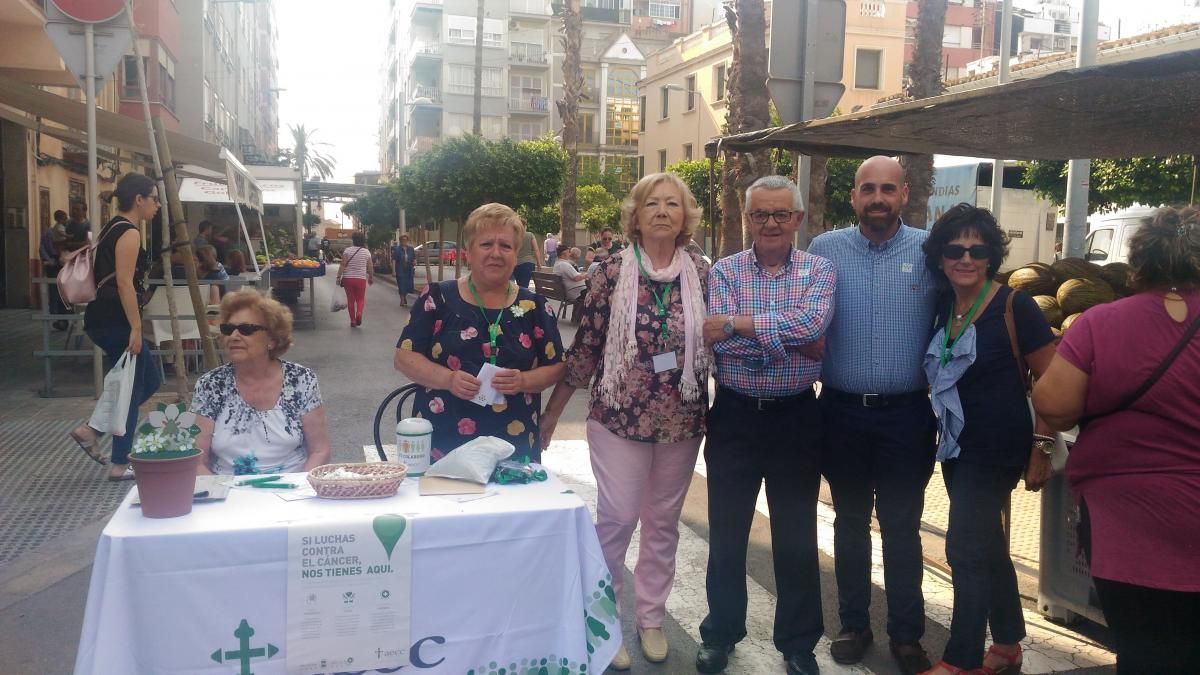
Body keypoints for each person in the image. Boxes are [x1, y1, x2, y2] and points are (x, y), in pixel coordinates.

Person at [541, 173, 711, 670]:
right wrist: (552, 415)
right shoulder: (610, 271)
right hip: (618, 417)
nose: (662, 211)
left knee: (662, 523)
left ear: (685, 217)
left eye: (672, 204)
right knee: (616, 518)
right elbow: (586, 348)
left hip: (681, 419)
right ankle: (604, 622)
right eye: (651, 203)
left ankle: (651, 618)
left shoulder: (700, 270)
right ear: (635, 216)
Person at [1033, 206, 1200, 675]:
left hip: (1127, 526)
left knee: (1144, 651)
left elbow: (1055, 405)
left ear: (1138, 263)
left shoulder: (1099, 323)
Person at [695, 176, 835, 675]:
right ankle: (720, 634)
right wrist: (784, 335)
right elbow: (717, 339)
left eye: (781, 214)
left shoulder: (820, 270)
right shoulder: (725, 271)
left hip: (796, 416)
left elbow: (814, 329)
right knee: (727, 533)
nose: (771, 223)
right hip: (733, 414)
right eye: (761, 215)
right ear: (746, 219)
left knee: (797, 536)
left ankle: (798, 645)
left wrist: (741, 323)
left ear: (797, 219)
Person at [806, 156, 939, 674]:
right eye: (868, 189)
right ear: (854, 197)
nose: (878, 198)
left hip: (908, 415)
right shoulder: (824, 250)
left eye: (888, 189)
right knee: (850, 523)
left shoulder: (931, 251)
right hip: (840, 412)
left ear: (904, 194)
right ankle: (854, 624)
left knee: (903, 527)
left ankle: (907, 635)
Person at [918, 204, 1057, 675]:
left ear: (991, 256)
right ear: (941, 256)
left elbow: (1054, 383)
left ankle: (960, 660)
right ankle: (1008, 645)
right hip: (957, 445)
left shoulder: (1015, 305)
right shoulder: (943, 305)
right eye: (956, 249)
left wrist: (1042, 448)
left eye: (978, 250)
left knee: (963, 547)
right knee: (986, 543)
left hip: (998, 445)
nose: (966, 258)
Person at [395, 203, 565, 462]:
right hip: (444, 441)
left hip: (513, 444)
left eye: (506, 246)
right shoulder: (437, 298)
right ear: (468, 253)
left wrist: (523, 381)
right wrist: (448, 379)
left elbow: (556, 367)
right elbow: (405, 357)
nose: (496, 253)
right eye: (486, 244)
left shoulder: (534, 307)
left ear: (516, 254)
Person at [67, 174, 163, 482]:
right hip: (114, 320)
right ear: (139, 200)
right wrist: (136, 327)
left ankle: (91, 430)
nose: (158, 205)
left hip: (104, 317)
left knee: (148, 381)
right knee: (133, 387)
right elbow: (124, 283)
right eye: (154, 198)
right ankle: (121, 464)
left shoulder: (111, 226)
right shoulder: (130, 233)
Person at [191, 289, 331, 475]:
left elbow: (319, 450)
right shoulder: (211, 385)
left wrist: (301, 490)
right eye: (228, 329)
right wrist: (221, 495)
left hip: (292, 491)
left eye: (246, 329)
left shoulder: (301, 380)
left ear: (272, 340)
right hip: (229, 494)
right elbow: (198, 460)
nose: (233, 336)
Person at [337, 232, 373, 327]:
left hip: (348, 279)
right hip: (360, 278)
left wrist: (338, 276)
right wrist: (371, 277)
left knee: (350, 300)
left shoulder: (347, 251)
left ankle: (353, 321)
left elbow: (343, 265)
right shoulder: (366, 252)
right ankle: (359, 313)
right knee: (360, 299)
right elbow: (370, 267)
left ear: (353, 240)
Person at [41, 209, 69, 330]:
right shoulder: (54, 232)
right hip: (57, 262)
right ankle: (59, 317)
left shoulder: (49, 232)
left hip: (55, 262)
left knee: (57, 291)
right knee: (57, 291)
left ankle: (59, 317)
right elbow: (42, 248)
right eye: (64, 218)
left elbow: (41, 248)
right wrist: (51, 259)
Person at [392, 234, 417, 305]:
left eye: (406, 240)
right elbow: (394, 260)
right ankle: (402, 300)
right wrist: (393, 271)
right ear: (400, 241)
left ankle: (404, 297)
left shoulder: (411, 249)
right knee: (401, 285)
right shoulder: (397, 249)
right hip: (400, 269)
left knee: (408, 285)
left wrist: (415, 261)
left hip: (409, 270)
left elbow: (414, 258)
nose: (404, 241)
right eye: (403, 240)